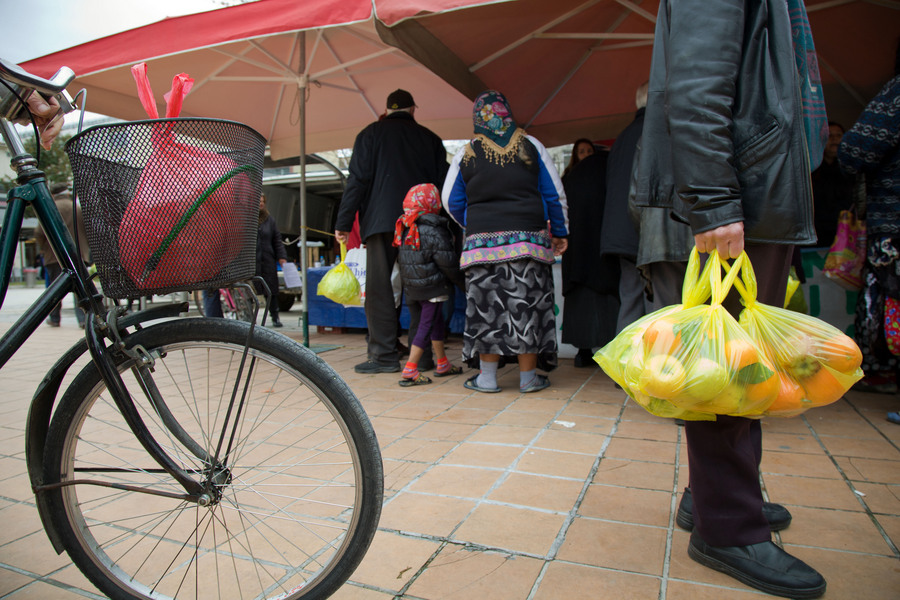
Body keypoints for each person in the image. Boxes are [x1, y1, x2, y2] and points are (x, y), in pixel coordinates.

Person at [630, 1, 828, 597]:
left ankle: (713, 496)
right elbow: (693, 85)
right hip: (733, 192)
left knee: (736, 360)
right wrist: (715, 201)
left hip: (745, 186)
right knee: (727, 364)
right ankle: (727, 526)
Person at [443, 90, 568, 394]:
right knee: (527, 307)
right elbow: (554, 193)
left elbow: (449, 200)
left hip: (482, 248)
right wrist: (560, 231)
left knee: (487, 309)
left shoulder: (467, 152)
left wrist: (473, 225)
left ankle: (487, 378)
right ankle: (528, 378)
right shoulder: (531, 145)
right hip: (529, 243)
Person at [335, 89, 449, 374]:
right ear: (413, 109)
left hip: (381, 223)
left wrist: (344, 223)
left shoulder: (369, 134)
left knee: (379, 288)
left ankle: (384, 356)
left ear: (386, 110)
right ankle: (420, 357)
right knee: (420, 286)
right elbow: (443, 185)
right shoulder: (431, 139)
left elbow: (357, 180)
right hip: (421, 223)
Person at [837, 48, 900, 398]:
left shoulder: (895, 95)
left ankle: (882, 370)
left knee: (890, 305)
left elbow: (855, 150)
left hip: (893, 224)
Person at [393, 183, 464, 386]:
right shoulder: (434, 230)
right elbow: (448, 262)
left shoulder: (407, 227)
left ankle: (442, 363)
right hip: (432, 288)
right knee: (425, 327)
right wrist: (464, 284)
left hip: (413, 289)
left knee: (436, 324)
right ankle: (411, 369)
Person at [561, 143, 619, 367]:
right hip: (603, 250)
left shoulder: (570, 179)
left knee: (580, 301)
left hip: (576, 251)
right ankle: (610, 352)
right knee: (608, 301)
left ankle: (583, 352)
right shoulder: (606, 174)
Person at [602, 82, 651, 334]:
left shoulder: (622, 137)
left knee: (630, 299)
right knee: (659, 305)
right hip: (649, 232)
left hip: (621, 234)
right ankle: (658, 368)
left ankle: (626, 369)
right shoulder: (656, 132)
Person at [33, 182, 90, 328]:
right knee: (80, 288)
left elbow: (39, 233)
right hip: (77, 254)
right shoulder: (77, 208)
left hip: (54, 255)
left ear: (53, 194)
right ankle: (84, 319)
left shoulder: (50, 208)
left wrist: (43, 247)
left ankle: (55, 318)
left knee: (55, 288)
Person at [809, 121, 853, 247]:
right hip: (817, 235)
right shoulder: (811, 169)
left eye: (839, 135)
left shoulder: (851, 169)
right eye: (829, 136)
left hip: (845, 233)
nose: (834, 140)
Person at [256, 194, 287, 327]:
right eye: (259, 201)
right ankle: (251, 319)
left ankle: (275, 316)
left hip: (268, 259)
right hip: (252, 261)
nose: (261, 204)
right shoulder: (248, 219)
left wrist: (282, 257)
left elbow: (277, 240)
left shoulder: (270, 220)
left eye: (263, 201)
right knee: (254, 289)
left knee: (271, 290)